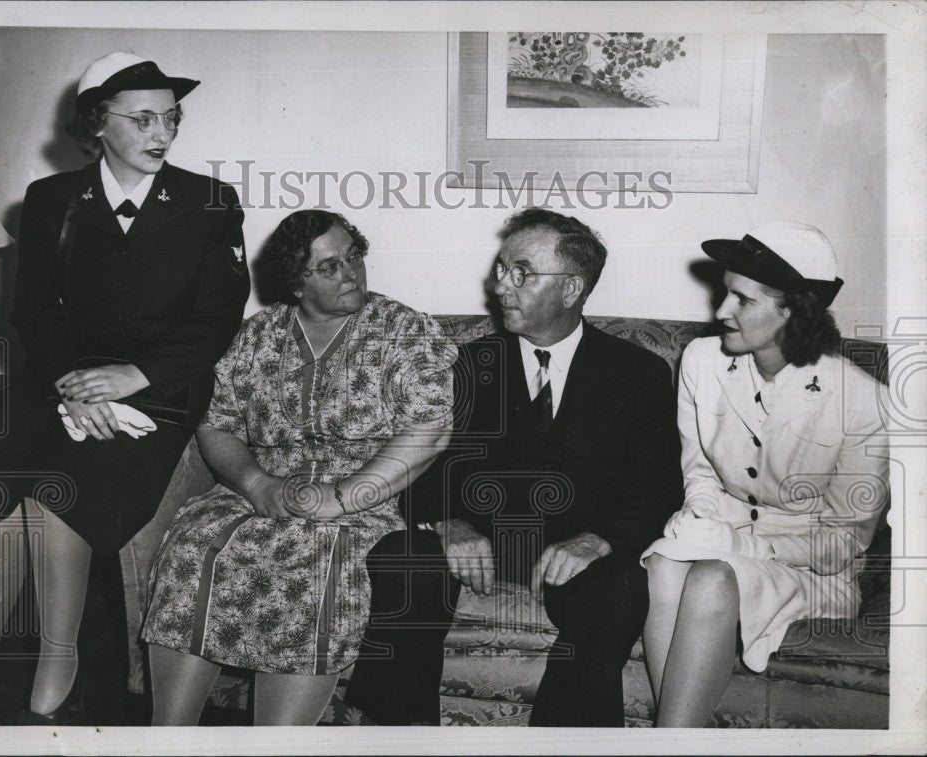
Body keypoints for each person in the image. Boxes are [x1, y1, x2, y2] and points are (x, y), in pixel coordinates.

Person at [0, 52, 250, 723]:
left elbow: (217, 318)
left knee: (73, 478)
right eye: (143, 118)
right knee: (2, 478)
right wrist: (71, 386)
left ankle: (58, 653)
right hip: (60, 378)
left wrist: (134, 376)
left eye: (171, 118)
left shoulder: (211, 202)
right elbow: (34, 309)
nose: (163, 132)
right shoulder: (50, 200)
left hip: (161, 385)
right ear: (98, 124)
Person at [343, 208, 684, 727]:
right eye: (501, 268)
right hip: (484, 540)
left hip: (580, 546)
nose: (501, 285)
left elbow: (658, 489)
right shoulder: (466, 364)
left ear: (571, 289)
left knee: (619, 588)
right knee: (402, 554)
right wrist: (449, 524)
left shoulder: (639, 374)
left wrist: (596, 541)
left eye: (521, 272)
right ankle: (402, 735)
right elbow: (421, 466)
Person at [140, 209, 457, 726]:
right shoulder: (255, 336)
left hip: (362, 503)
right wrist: (254, 483)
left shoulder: (402, 330)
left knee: (314, 560)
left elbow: (430, 429)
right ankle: (167, 737)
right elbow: (216, 425)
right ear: (295, 281)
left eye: (354, 257)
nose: (350, 274)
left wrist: (345, 495)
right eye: (328, 267)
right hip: (260, 494)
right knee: (195, 547)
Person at [640, 221, 890, 727]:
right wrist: (699, 517)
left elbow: (845, 539)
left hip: (810, 566)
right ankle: (680, 734)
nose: (719, 312)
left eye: (741, 300)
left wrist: (744, 547)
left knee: (710, 577)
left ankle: (669, 738)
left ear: (792, 310)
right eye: (724, 293)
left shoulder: (865, 401)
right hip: (720, 535)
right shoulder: (700, 361)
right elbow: (701, 471)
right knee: (664, 562)